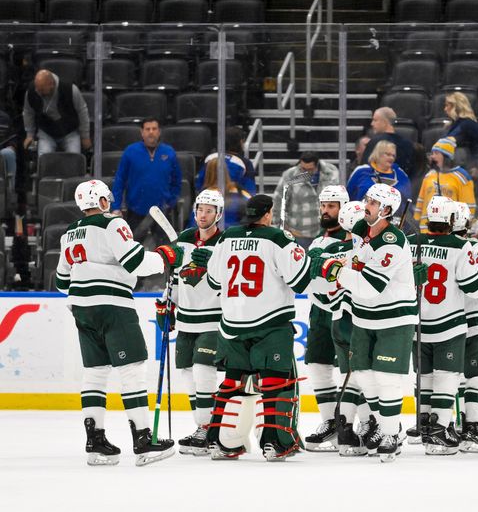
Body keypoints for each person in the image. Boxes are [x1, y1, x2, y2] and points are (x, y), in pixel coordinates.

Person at [55, 179, 180, 466]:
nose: (109, 203)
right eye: (106, 199)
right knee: (131, 369)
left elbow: (63, 281)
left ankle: (95, 443)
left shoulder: (69, 234)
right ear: (100, 202)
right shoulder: (112, 224)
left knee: (95, 373)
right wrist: (166, 257)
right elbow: (136, 262)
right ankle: (144, 440)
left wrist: (90, 269)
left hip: (81, 308)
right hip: (113, 304)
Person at [314, 183, 418, 462]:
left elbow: (371, 286)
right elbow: (352, 261)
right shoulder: (360, 229)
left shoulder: (393, 242)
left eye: (371, 202)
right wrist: (328, 259)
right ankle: (388, 426)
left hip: (394, 317)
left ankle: (389, 434)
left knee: (387, 377)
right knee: (361, 374)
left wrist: (334, 270)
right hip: (363, 315)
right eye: (367, 199)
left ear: (385, 210)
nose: (365, 205)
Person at [205, 194, 312, 461]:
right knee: (276, 382)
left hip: (232, 322)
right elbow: (301, 281)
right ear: (267, 214)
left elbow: (214, 281)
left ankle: (222, 440)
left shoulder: (227, 237)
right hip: (270, 321)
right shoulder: (278, 238)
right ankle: (275, 442)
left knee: (233, 381)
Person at [410, 196, 478, 455]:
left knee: (426, 378)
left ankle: (427, 425)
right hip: (458, 320)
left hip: (420, 321)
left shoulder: (414, 244)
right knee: (461, 377)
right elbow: (476, 289)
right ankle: (458, 427)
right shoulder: (468, 247)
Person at [157, 189, 225, 456]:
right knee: (187, 373)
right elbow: (175, 277)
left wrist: (215, 264)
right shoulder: (184, 239)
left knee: (203, 369)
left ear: (218, 214)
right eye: (200, 209)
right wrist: (167, 304)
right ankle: (203, 425)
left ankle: (208, 428)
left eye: (209, 210)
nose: (203, 215)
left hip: (213, 319)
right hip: (186, 319)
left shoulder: (225, 241)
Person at [313, 200, 372, 456]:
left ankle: (345, 433)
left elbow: (316, 290)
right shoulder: (365, 250)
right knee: (366, 375)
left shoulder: (330, 250)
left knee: (348, 376)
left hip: (336, 318)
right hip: (359, 319)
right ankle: (370, 426)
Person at [302, 185, 350, 452]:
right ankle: (331, 422)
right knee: (318, 365)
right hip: (319, 312)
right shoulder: (318, 241)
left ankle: (362, 423)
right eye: (323, 205)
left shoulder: (354, 239)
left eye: (331, 206)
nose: (325, 211)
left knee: (352, 371)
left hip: (346, 312)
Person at [451, 201, 478, 452]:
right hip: (473, 318)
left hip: (444, 320)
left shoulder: (436, 246)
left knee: (446, 376)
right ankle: (471, 428)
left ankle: (443, 426)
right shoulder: (475, 246)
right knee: (476, 377)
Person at [111, 117, 182, 245]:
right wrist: (115, 207)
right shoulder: (130, 152)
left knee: (167, 251)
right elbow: (119, 180)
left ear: (159, 132)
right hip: (136, 211)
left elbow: (177, 181)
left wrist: (171, 201)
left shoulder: (169, 152)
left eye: (154, 129)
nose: (151, 132)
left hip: (162, 212)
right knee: (131, 250)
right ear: (142, 132)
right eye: (147, 129)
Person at [272, 152, 339, 249]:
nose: (306, 172)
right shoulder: (290, 176)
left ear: (317, 165)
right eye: (303, 169)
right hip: (298, 233)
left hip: (325, 232)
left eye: (310, 169)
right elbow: (278, 201)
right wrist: (281, 227)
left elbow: (338, 198)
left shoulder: (331, 172)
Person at [23, 69, 91, 157]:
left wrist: (85, 136)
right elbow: (28, 112)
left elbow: (82, 112)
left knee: (74, 160)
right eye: (37, 88)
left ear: (52, 84)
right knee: (44, 160)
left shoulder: (71, 89)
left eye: (42, 90)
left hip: (70, 132)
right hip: (46, 133)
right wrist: (29, 135)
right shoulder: (32, 91)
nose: (38, 92)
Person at [414, 137, 476, 232]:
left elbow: (468, 207)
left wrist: (463, 229)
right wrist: (416, 222)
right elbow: (420, 203)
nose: (432, 157)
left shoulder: (462, 177)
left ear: (446, 156)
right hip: (426, 231)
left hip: (449, 231)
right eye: (432, 153)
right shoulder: (429, 175)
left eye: (436, 153)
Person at [195, 126, 256, 195]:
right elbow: (250, 191)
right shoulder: (246, 163)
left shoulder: (209, 158)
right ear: (241, 141)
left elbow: (199, 184)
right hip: (233, 202)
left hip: (207, 199)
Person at [346, 140, 412, 203]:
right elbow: (349, 195)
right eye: (388, 154)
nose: (391, 158)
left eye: (393, 155)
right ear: (378, 154)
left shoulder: (400, 174)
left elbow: (408, 199)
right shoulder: (361, 171)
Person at [444, 92, 478, 181]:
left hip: (466, 171)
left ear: (455, 107)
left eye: (447, 106)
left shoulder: (469, 124)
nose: (445, 109)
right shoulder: (451, 126)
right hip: (452, 169)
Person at [362, 107, 416, 178]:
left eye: (375, 120)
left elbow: (365, 169)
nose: (372, 123)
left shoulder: (374, 142)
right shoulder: (408, 144)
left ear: (385, 122)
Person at [198, 158, 251, 229]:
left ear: (207, 173)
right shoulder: (242, 192)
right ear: (226, 171)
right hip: (239, 234)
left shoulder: (204, 196)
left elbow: (196, 224)